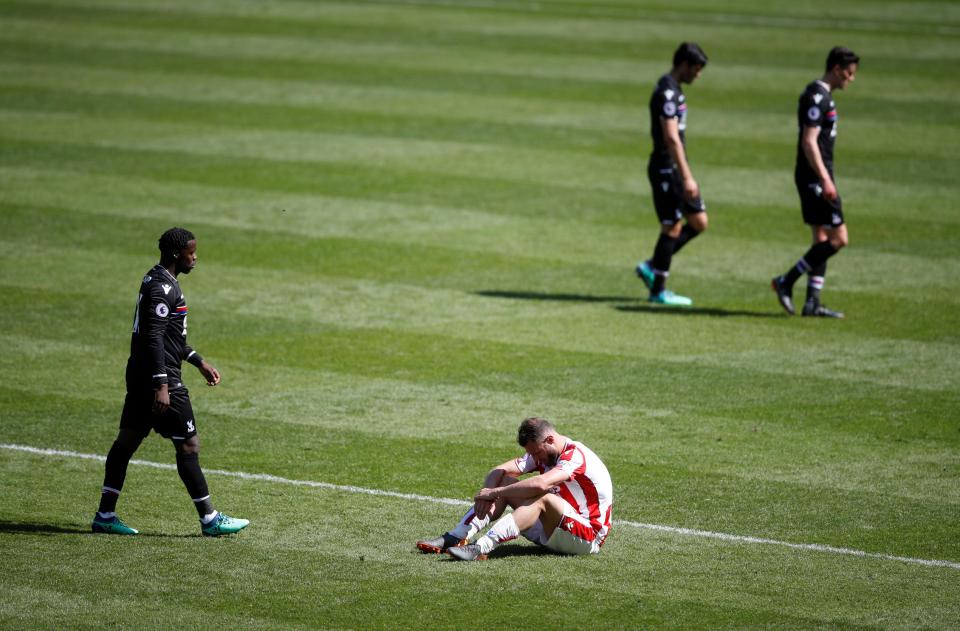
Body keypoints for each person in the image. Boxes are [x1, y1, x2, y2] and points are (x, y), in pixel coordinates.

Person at [91, 227, 249, 536]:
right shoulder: (162, 288)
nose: (196, 258)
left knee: (126, 443)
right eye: (192, 253)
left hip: (142, 375)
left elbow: (170, 338)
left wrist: (198, 360)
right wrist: (161, 386)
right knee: (188, 445)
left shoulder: (157, 280)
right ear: (178, 254)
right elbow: (153, 338)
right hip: (160, 380)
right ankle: (210, 519)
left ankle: (105, 515)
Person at [416, 417, 613, 561]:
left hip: (587, 537)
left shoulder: (575, 456)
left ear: (550, 440)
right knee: (504, 481)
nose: (535, 459)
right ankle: (456, 536)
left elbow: (540, 484)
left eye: (536, 452)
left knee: (541, 497)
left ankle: (480, 548)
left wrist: (493, 493)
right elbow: (499, 471)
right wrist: (488, 492)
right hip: (556, 527)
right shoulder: (543, 452)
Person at [772, 47, 860, 318]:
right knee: (839, 238)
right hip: (815, 178)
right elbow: (809, 142)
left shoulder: (822, 96)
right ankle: (786, 280)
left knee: (821, 238)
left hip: (816, 175)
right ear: (836, 69)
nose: (851, 78)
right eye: (848, 72)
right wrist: (825, 179)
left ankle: (812, 303)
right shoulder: (816, 97)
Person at [635, 42, 709, 307]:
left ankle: (651, 266)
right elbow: (671, 136)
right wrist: (687, 176)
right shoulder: (667, 92)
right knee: (672, 226)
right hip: (668, 168)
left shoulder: (673, 90)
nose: (697, 75)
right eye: (696, 69)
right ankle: (658, 289)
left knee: (699, 222)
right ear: (684, 65)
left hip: (675, 167)